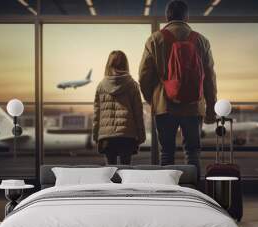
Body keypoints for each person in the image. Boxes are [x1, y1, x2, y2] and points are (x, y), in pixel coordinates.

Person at [139, 0, 217, 175]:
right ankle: (195, 193)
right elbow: (210, 77)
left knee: (166, 153)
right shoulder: (202, 41)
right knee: (193, 153)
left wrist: (152, 99)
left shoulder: (155, 39)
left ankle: (169, 195)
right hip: (193, 106)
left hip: (164, 106)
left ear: (168, 17)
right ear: (186, 17)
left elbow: (144, 76)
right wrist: (211, 107)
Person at [93, 50, 146, 165]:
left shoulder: (101, 86)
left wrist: (96, 135)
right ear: (125, 64)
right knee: (125, 173)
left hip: (107, 137)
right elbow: (138, 113)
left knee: (110, 173)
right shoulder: (132, 85)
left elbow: (97, 114)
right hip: (126, 136)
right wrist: (141, 135)